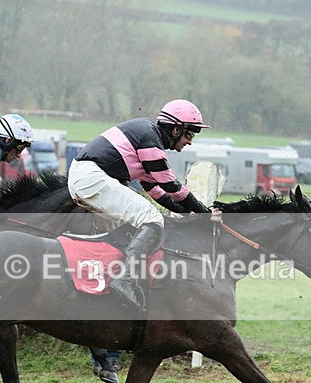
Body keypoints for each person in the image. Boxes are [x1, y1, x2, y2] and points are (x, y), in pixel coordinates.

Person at [67, 99, 212, 310]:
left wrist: (188, 213)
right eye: (190, 134)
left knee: (129, 226)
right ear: (175, 129)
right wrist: (204, 212)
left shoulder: (146, 137)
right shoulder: (149, 137)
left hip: (86, 178)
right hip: (91, 178)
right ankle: (123, 280)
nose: (190, 141)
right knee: (151, 218)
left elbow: (158, 192)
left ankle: (105, 278)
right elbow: (171, 185)